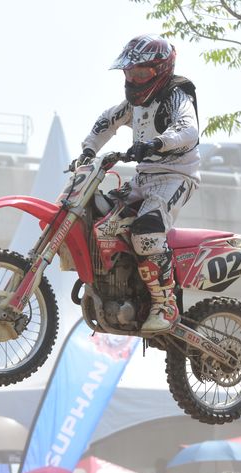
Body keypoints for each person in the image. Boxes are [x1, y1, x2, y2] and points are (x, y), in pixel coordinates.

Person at [70, 34, 200, 333]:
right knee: (98, 213)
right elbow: (108, 120)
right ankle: (121, 285)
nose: (133, 80)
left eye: (141, 73)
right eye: (129, 73)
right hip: (143, 178)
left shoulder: (176, 95)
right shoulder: (135, 103)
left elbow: (188, 129)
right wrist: (88, 150)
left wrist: (158, 143)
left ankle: (165, 304)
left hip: (175, 177)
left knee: (146, 231)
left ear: (160, 71)